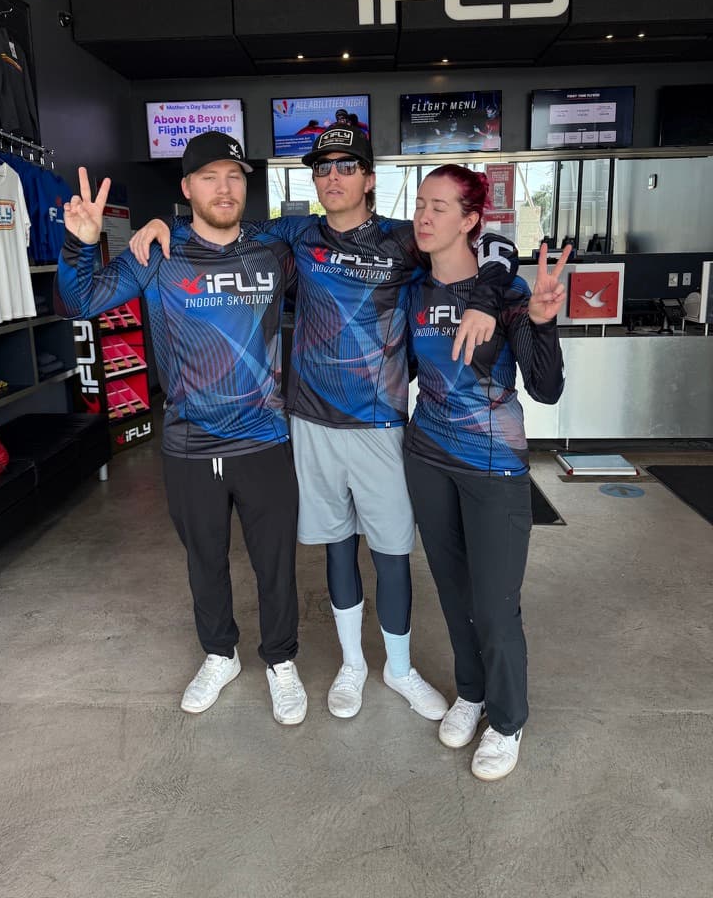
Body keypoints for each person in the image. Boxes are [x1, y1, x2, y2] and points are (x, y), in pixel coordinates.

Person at [130, 125, 518, 723]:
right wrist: (166, 227)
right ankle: (353, 666)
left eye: (346, 167)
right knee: (337, 549)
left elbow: (487, 243)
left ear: (369, 178)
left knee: (391, 554)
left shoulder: (403, 240)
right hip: (309, 424)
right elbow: (218, 226)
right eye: (322, 168)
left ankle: (399, 667)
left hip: (382, 427)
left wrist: (490, 292)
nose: (332, 178)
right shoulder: (293, 235)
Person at [54, 132, 308, 726]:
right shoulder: (157, 255)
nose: (226, 188)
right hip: (191, 442)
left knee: (275, 563)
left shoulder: (273, 252)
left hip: (265, 438)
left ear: (248, 186)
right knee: (205, 560)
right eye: (211, 177)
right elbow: (81, 300)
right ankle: (220, 654)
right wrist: (80, 242)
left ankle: (281, 661)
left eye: (236, 177)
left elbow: (340, 238)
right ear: (187, 188)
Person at [403, 164, 568, 780]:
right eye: (421, 204)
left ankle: (507, 720)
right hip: (427, 457)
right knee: (451, 592)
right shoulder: (414, 290)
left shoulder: (507, 293)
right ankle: (470, 692)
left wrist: (542, 323)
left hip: (494, 465)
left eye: (440, 207)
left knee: (496, 605)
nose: (423, 216)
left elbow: (547, 389)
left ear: (472, 221)